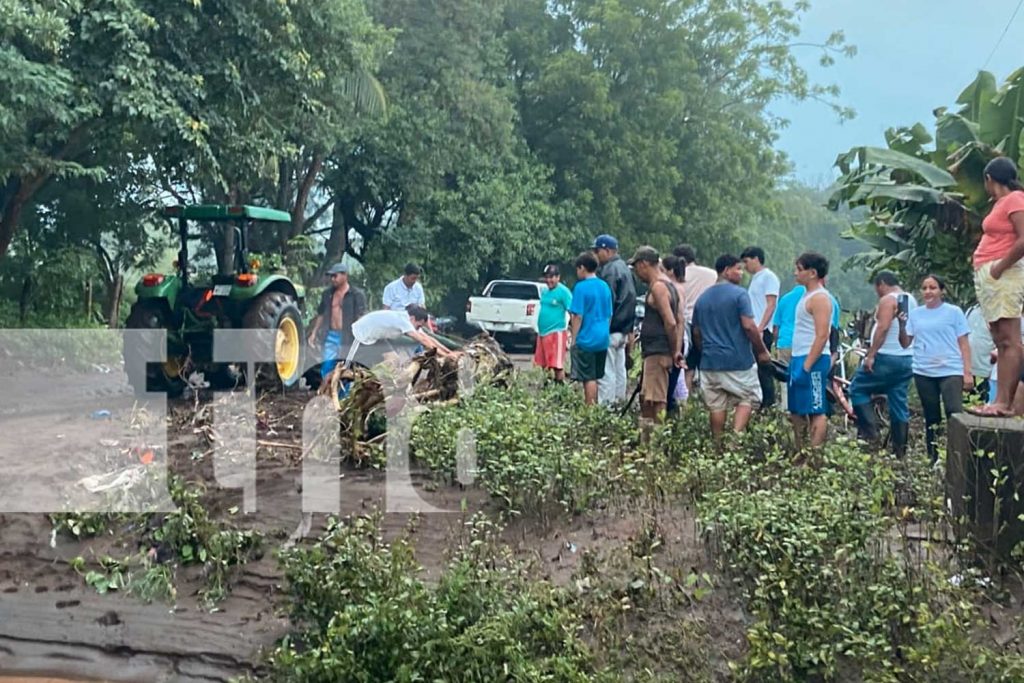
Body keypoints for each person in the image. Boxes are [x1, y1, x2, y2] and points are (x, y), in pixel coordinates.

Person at [691, 254, 771, 439]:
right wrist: (761, 351)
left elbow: (696, 332)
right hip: (738, 361)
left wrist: (705, 351)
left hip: (710, 363)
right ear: (726, 271)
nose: (741, 273)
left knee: (716, 405)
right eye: (737, 269)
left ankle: (718, 443)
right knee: (748, 397)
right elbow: (749, 326)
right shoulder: (739, 294)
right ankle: (736, 439)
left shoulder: (702, 298)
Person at [969, 157, 1024, 416]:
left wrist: (1000, 267)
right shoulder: (1002, 203)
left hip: (1004, 274)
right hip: (992, 275)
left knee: (1009, 339)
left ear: (989, 179)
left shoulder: (1014, 199)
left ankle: (1004, 402)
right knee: (1000, 339)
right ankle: (998, 401)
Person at [897, 275, 972, 463]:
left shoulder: (954, 312)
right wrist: (901, 324)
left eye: (933, 288)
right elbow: (905, 342)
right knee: (931, 416)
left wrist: (967, 372)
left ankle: (957, 455)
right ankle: (933, 456)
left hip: (950, 369)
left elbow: (963, 343)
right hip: (924, 371)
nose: (928, 292)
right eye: (924, 288)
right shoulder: (916, 314)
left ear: (942, 291)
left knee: (954, 412)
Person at [848, 271, 916, 455]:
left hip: (886, 356)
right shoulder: (910, 299)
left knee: (857, 388)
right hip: (906, 358)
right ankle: (899, 451)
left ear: (881, 284)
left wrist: (871, 355)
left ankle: (871, 434)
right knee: (898, 401)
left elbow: (883, 327)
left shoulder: (888, 300)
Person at [629, 247, 684, 422]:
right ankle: (648, 439)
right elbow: (680, 319)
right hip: (655, 352)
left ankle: (655, 442)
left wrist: (674, 350)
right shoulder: (670, 285)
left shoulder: (659, 288)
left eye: (636, 267)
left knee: (655, 399)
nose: (637, 273)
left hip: (659, 352)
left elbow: (671, 322)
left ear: (644, 264)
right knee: (647, 398)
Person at [787, 252, 834, 450]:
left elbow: (822, 335)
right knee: (796, 409)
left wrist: (807, 366)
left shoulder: (820, 298)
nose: (795, 273)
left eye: (799, 269)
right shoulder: (805, 295)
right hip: (799, 356)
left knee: (816, 409)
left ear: (812, 273)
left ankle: (814, 455)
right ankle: (800, 452)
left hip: (812, 359)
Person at [593, 234, 636, 405]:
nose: (596, 254)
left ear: (608, 250)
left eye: (598, 250)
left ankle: (607, 408)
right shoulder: (625, 268)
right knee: (620, 369)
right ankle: (620, 402)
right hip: (624, 328)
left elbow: (607, 300)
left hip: (612, 327)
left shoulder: (610, 270)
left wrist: (603, 326)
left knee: (606, 371)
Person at [306, 262, 367, 379]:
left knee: (346, 366)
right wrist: (313, 333)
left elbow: (361, 316)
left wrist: (360, 335)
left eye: (335, 276)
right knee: (327, 365)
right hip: (330, 335)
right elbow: (321, 314)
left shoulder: (356, 294)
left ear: (345, 276)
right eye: (331, 276)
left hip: (348, 336)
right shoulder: (327, 294)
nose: (333, 279)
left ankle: (343, 395)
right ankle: (326, 391)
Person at [346, 304, 455, 367]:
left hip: (377, 338)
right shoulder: (403, 321)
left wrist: (450, 352)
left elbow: (429, 338)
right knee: (347, 366)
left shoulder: (410, 321)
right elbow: (423, 341)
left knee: (394, 360)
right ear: (412, 318)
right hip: (360, 335)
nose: (419, 328)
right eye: (418, 325)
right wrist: (446, 356)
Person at [672, 244, 718, 393]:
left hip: (686, 323)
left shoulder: (678, 275)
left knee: (688, 367)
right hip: (707, 323)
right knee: (707, 365)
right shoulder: (712, 274)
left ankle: (685, 402)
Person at [569, 251, 613, 405]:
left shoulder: (581, 288)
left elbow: (578, 316)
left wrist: (574, 339)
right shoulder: (604, 286)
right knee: (598, 376)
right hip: (603, 338)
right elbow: (609, 315)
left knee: (589, 378)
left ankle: (590, 409)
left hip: (587, 338)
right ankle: (597, 407)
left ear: (582, 267)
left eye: (577, 268)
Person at [741, 246, 781, 409]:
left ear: (756, 259)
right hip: (754, 329)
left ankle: (768, 403)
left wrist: (761, 327)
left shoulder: (768, 277)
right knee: (756, 368)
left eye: (747, 261)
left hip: (761, 330)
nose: (745, 266)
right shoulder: (756, 278)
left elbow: (771, 304)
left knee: (764, 369)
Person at [534, 264, 574, 381]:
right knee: (544, 364)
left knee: (556, 365)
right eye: (547, 277)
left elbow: (572, 311)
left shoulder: (563, 292)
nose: (549, 280)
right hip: (542, 333)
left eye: (551, 277)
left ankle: (559, 386)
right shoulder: (545, 291)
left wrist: (574, 330)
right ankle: (547, 386)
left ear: (558, 277)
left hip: (556, 333)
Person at [662, 254, 689, 411]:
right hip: (681, 334)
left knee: (675, 379)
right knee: (677, 378)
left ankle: (674, 408)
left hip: (676, 335)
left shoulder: (674, 289)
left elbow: (676, 319)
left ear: (670, 271)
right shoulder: (680, 287)